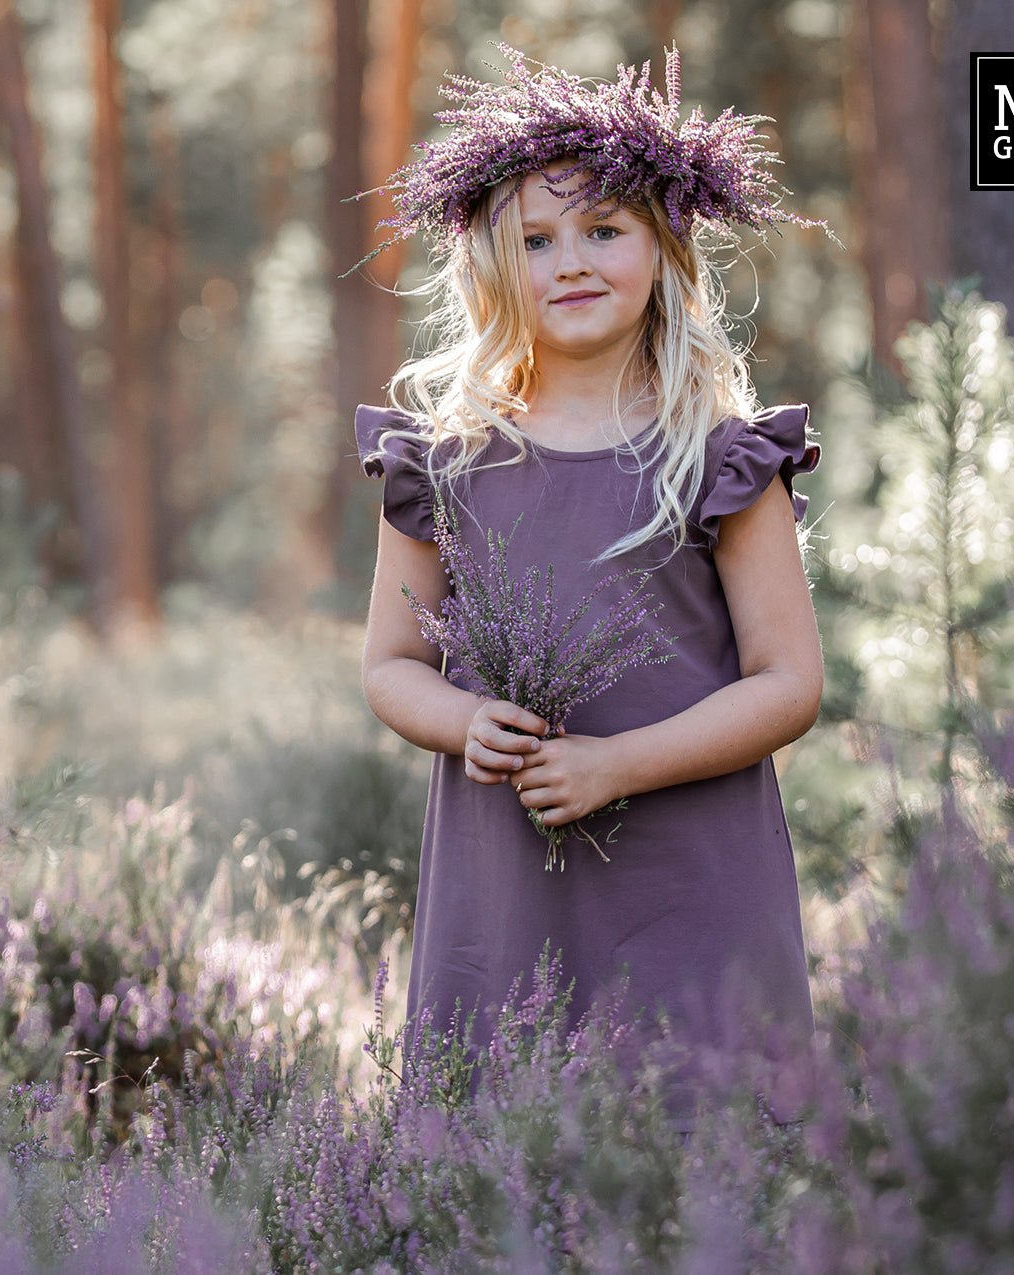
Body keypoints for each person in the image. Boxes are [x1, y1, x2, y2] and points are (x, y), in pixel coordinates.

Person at [354, 46, 831, 1103]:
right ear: (488, 266)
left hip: (692, 880)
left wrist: (618, 765)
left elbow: (787, 683)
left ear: (663, 251)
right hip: (505, 884)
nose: (569, 260)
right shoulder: (441, 459)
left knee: (702, 1141)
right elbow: (389, 665)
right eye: (534, 239)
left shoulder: (718, 458)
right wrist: (460, 721)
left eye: (604, 230)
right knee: (505, 1142)